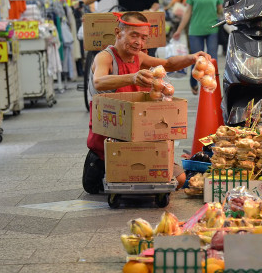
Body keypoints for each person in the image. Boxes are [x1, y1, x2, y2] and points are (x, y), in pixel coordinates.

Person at [82, 11, 210, 194]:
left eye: (144, 38)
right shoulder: (105, 57)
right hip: (110, 143)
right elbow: (99, 81)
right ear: (118, 33)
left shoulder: (139, 58)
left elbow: (169, 64)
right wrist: (132, 78)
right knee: (106, 187)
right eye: (134, 35)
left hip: (142, 138)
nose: (139, 43)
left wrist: (191, 58)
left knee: (180, 180)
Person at [172, 0, 223, 95]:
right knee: (196, 60)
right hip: (195, 31)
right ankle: (194, 83)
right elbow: (188, 12)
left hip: (212, 29)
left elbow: (220, 11)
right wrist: (178, 30)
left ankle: (211, 87)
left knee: (212, 60)